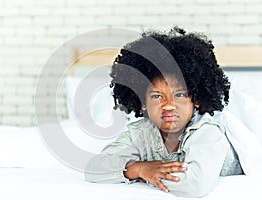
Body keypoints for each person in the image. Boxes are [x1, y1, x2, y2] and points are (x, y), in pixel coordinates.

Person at [84, 27, 244, 198]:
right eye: (157, 96)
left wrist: (151, 175)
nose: (168, 105)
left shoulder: (207, 131)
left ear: (196, 100)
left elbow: (195, 184)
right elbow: (94, 168)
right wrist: (140, 169)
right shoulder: (140, 132)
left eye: (180, 94)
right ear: (143, 102)